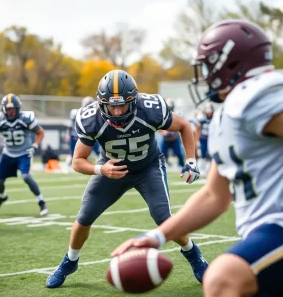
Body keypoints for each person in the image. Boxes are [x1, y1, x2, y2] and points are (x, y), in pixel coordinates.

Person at [112, 20, 283, 297]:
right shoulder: (228, 114)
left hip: (277, 226)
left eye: (207, 66)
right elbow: (214, 196)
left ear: (229, 63)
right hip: (262, 230)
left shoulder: (254, 94)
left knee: (223, 279)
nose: (203, 75)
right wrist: (157, 237)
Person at [46, 69, 207, 289]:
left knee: (163, 217)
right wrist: (101, 170)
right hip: (112, 169)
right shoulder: (91, 118)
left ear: (134, 99)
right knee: (84, 217)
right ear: (101, 103)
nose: (118, 111)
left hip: (148, 167)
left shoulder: (151, 109)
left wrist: (191, 160)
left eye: (123, 104)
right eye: (112, 105)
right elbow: (77, 161)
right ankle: (70, 261)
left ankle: (194, 255)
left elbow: (184, 126)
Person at [0, 94, 48, 216]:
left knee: (26, 177)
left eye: (13, 109)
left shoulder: (25, 119)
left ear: (18, 109)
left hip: (23, 153)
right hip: (8, 153)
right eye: (8, 109)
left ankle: (41, 201)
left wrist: (34, 146)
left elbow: (40, 132)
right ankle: (2, 197)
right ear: (3, 109)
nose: (11, 112)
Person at [64, 96, 100, 173]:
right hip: (76, 135)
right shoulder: (77, 112)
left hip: (91, 135)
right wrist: (68, 135)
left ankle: (99, 166)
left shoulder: (95, 112)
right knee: (72, 153)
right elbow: (70, 126)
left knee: (97, 151)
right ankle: (66, 167)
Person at [159, 98, 185, 168]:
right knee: (162, 153)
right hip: (166, 139)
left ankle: (181, 165)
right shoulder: (161, 114)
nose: (169, 108)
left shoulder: (177, 114)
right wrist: (163, 132)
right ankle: (163, 165)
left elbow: (182, 125)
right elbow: (158, 126)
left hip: (174, 138)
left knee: (179, 153)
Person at [194, 103, 214, 175]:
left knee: (211, 155)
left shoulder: (215, 117)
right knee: (203, 154)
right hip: (203, 138)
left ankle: (208, 170)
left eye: (210, 111)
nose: (209, 113)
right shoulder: (201, 118)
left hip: (212, 139)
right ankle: (201, 170)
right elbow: (197, 129)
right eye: (207, 111)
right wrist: (196, 141)